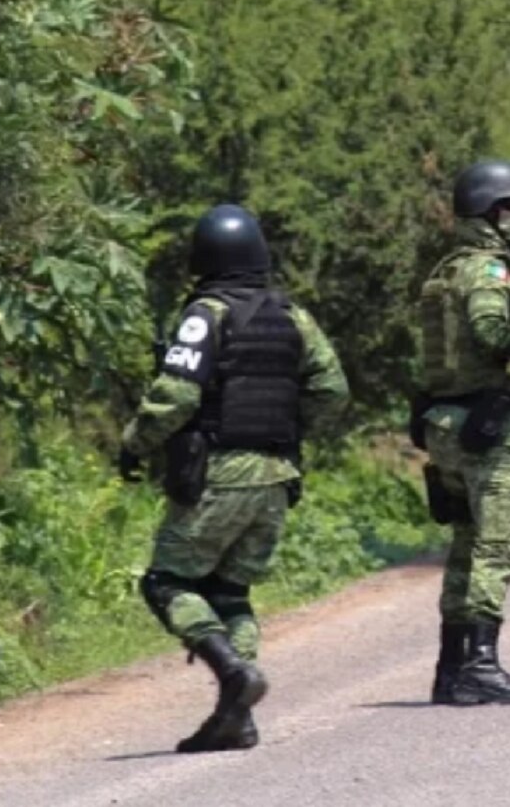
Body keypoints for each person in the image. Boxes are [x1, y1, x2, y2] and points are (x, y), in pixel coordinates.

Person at [118, 204, 350, 753]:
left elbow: (176, 394)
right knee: (231, 593)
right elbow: (333, 390)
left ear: (205, 259)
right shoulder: (294, 317)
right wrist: (292, 434)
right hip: (276, 474)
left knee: (167, 583)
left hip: (217, 472)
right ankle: (235, 718)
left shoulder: (205, 314)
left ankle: (231, 674)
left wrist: (134, 444)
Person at [414, 160, 510, 706]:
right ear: (489, 214)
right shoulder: (489, 271)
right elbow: (490, 330)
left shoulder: (446, 270)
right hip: (486, 424)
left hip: (445, 422)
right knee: (494, 549)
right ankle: (479, 664)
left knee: (465, 546)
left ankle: (451, 671)